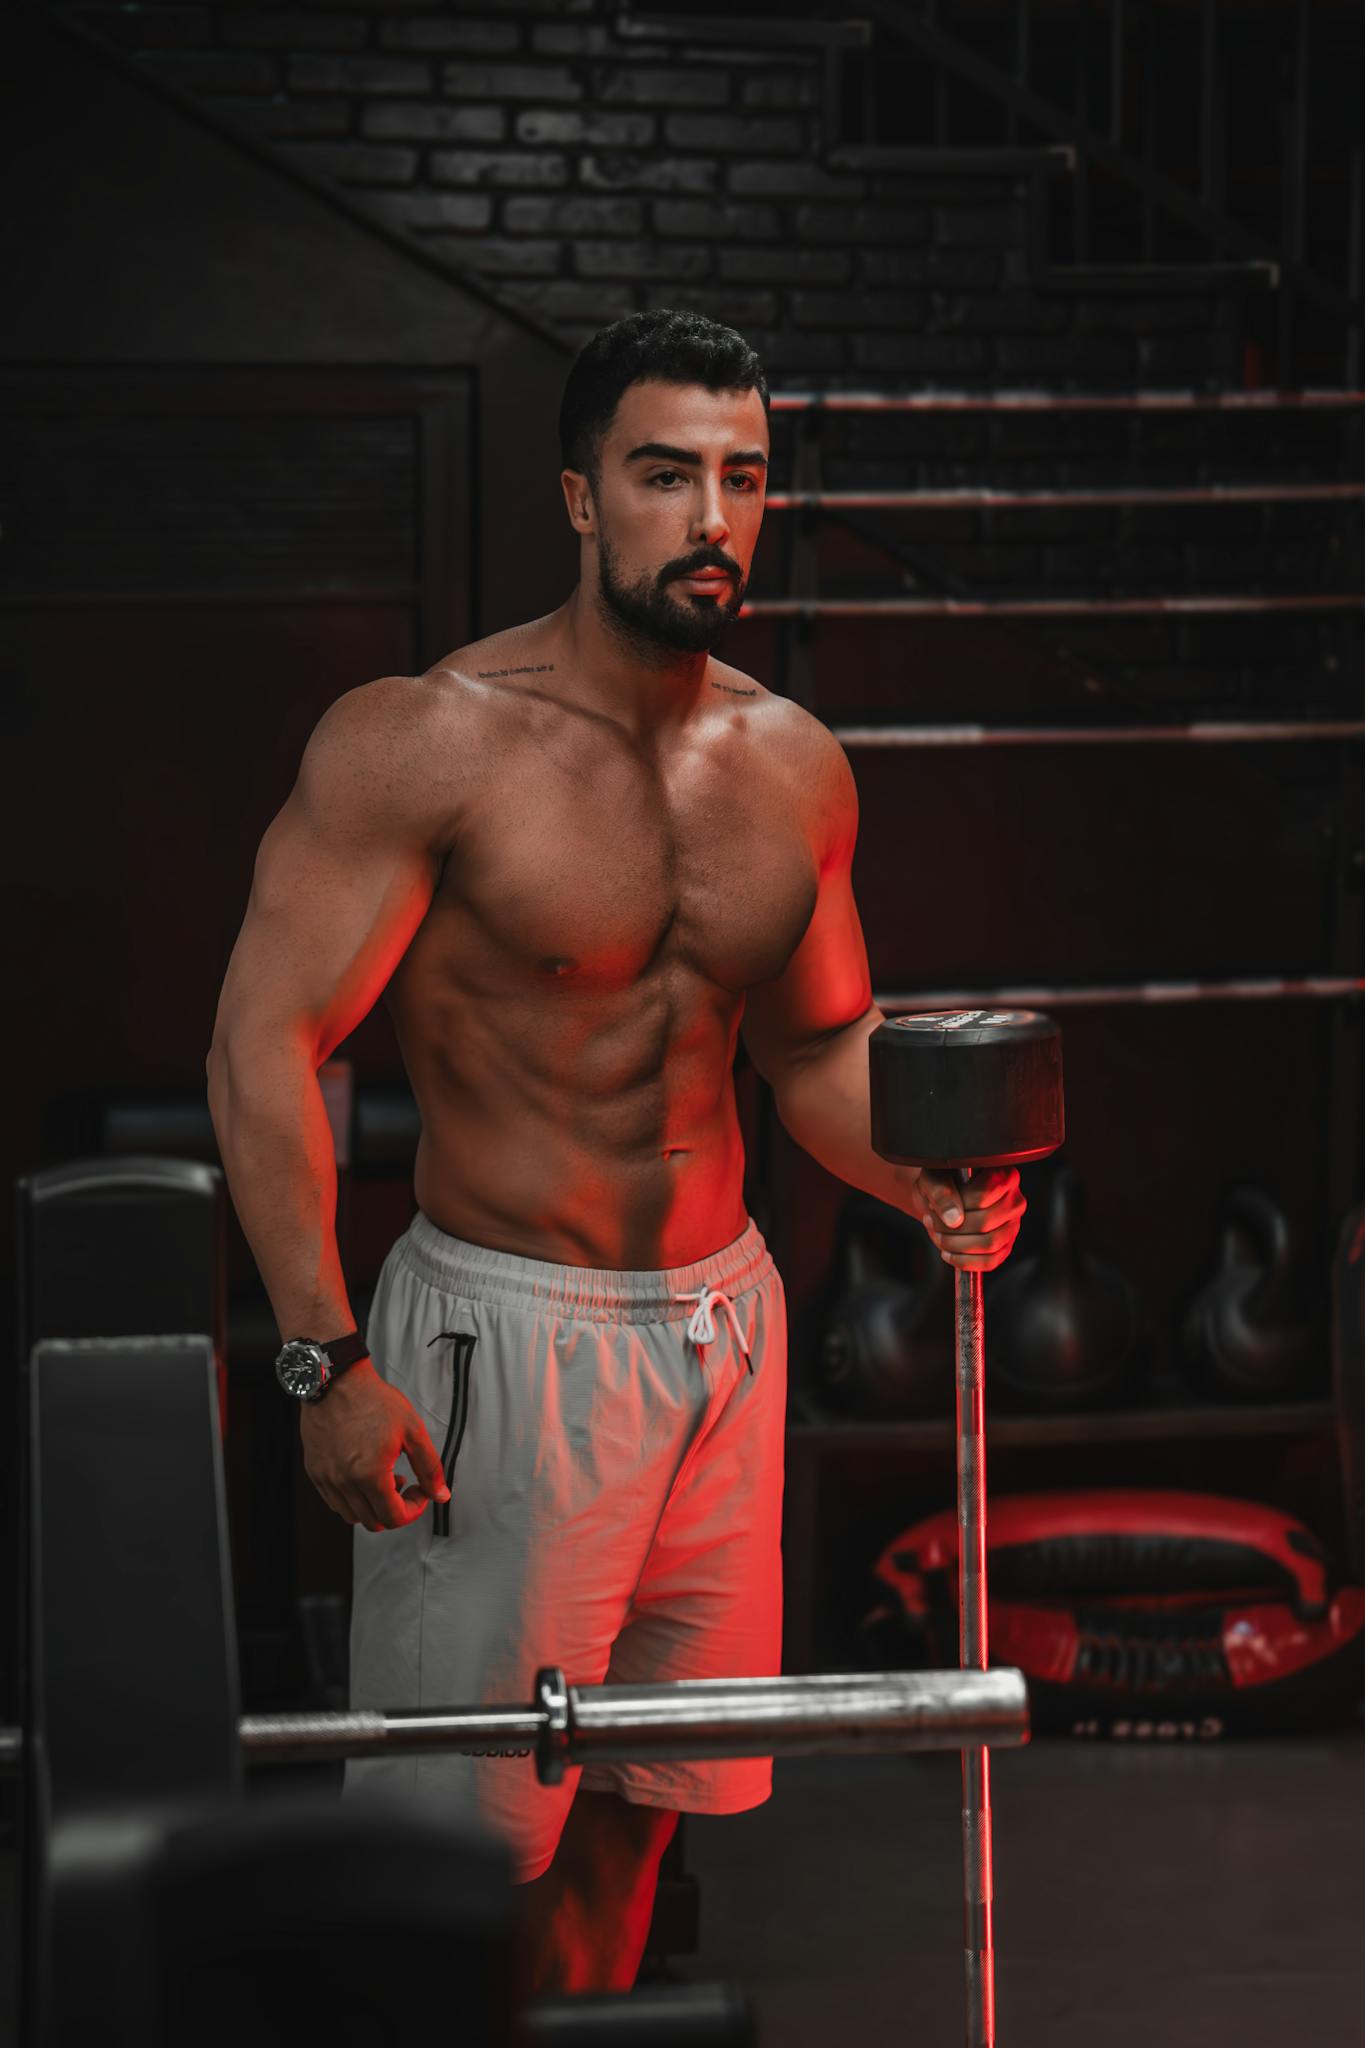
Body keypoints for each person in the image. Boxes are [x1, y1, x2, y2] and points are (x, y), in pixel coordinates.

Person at [206, 309, 1025, 1993]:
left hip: (722, 1335)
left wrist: (922, 1178)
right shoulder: (426, 741)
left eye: (743, 478)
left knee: (643, 1813)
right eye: (664, 475)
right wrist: (323, 1363)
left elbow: (812, 1048)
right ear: (581, 497)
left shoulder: (790, 766)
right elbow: (262, 1045)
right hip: (499, 1343)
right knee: (459, 1860)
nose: (710, 518)